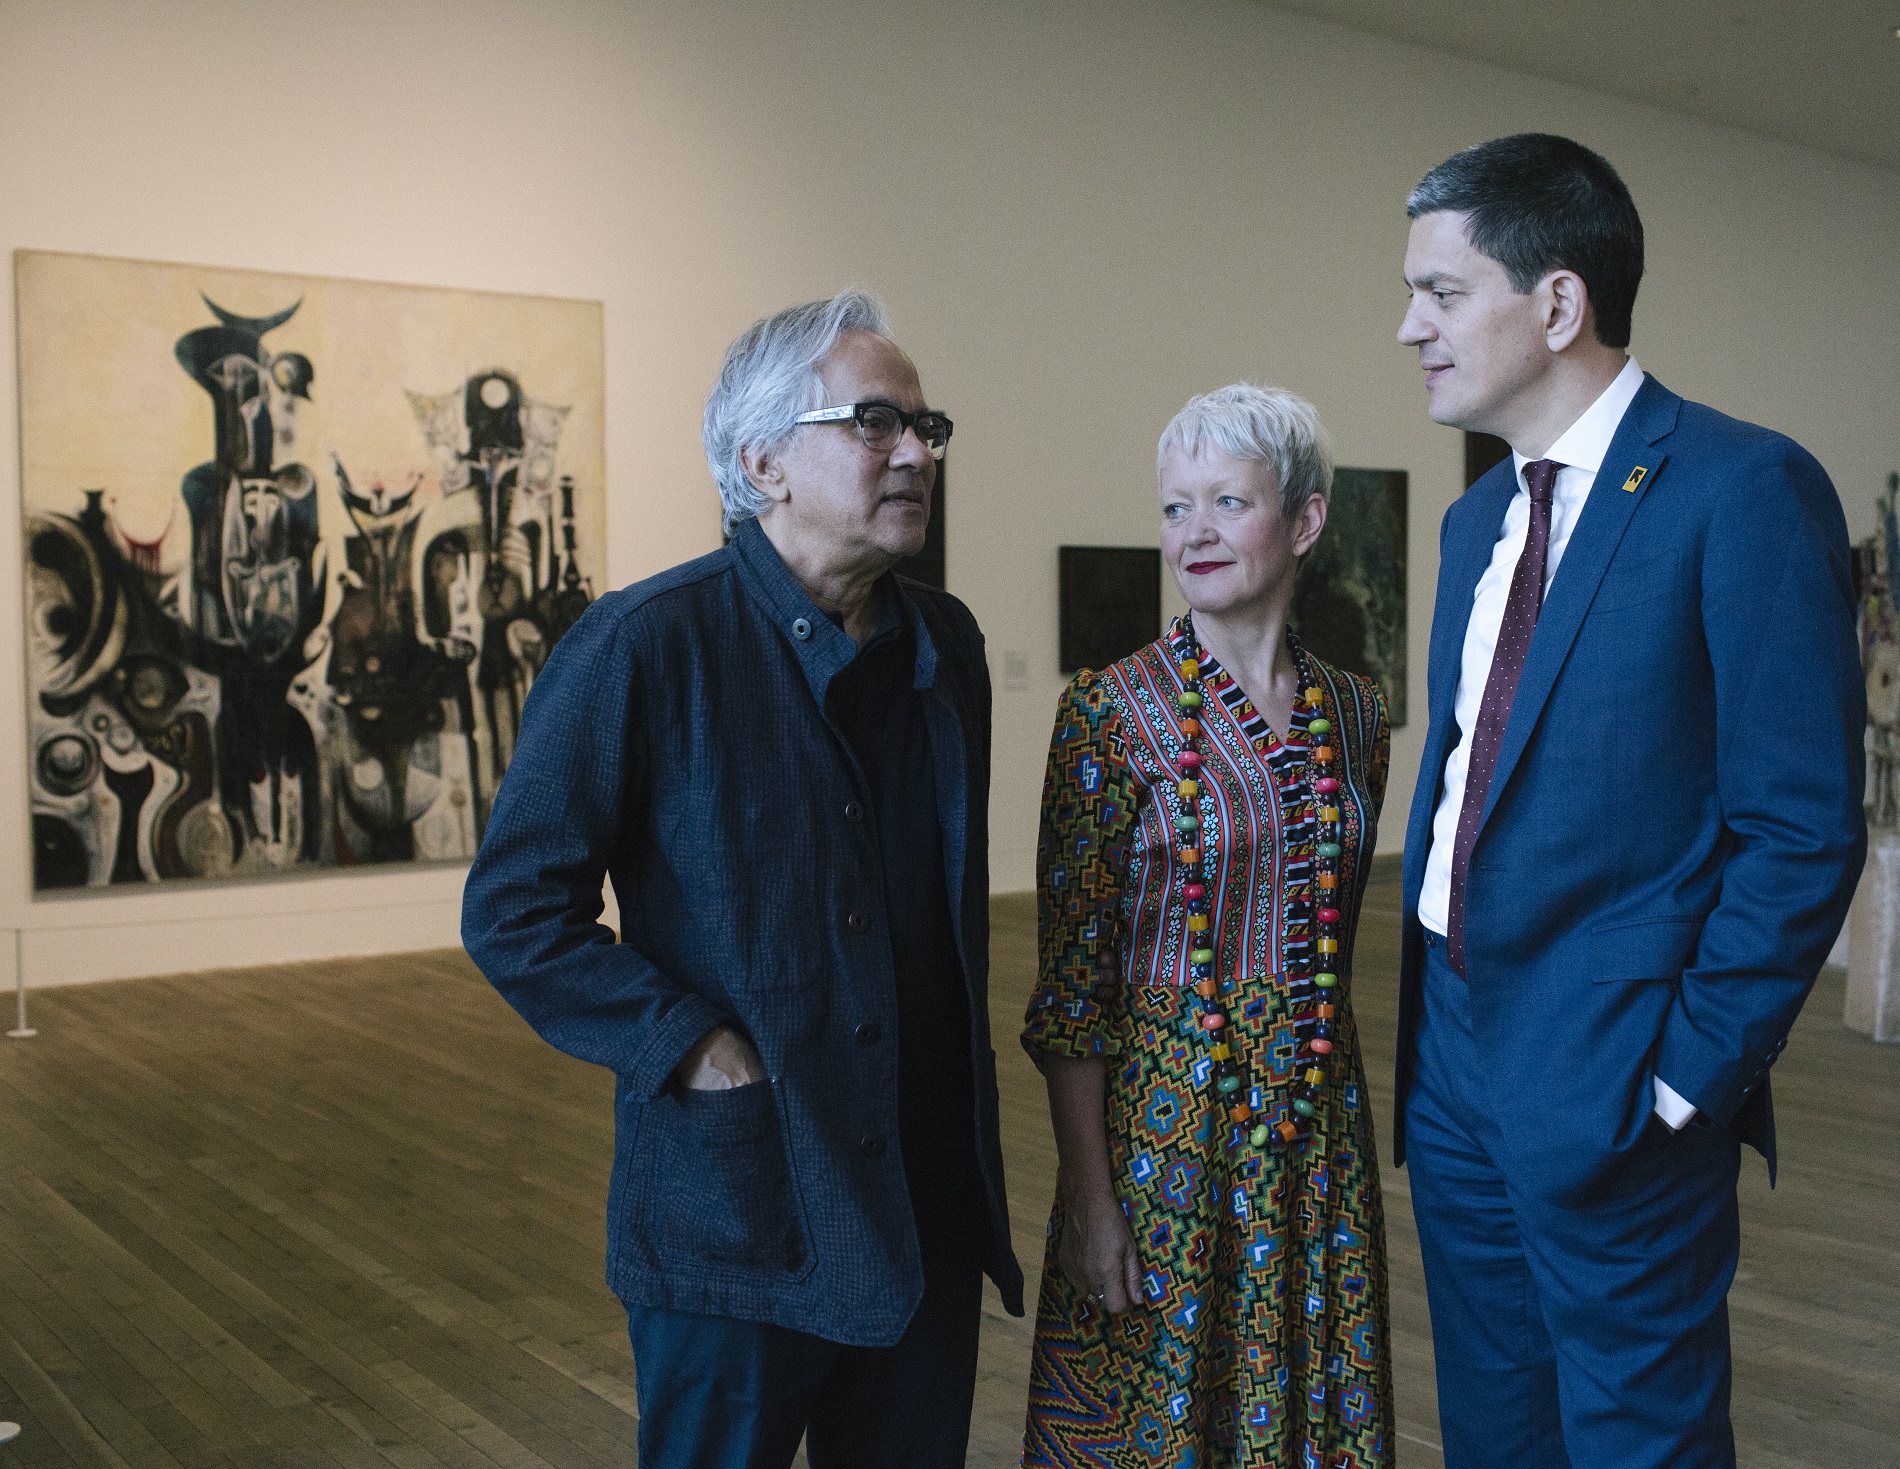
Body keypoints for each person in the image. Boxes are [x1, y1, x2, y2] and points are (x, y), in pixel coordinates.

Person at [461, 289, 1023, 1469]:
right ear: (761, 458)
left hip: (924, 1187)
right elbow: (515, 910)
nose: (917, 451)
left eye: (927, 427)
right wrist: (690, 1044)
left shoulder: (947, 644)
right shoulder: (644, 642)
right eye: (875, 421)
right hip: (742, 1194)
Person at [1393, 134, 1865, 1468]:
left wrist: (1687, 1079)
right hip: (1453, 1060)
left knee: (1634, 1440)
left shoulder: (1741, 489)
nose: (1407, 327)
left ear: (1557, 303)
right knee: (1497, 1427)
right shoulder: (1475, 525)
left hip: (1622, 1071)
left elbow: (1805, 828)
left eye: (1439, 293)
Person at [1021, 384, 1395, 1467]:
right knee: (1160, 1419)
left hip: (1317, 1130)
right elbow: (1071, 990)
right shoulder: (1108, 711)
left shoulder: (1355, 714)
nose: (1194, 531)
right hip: (1163, 1140)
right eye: (1175, 505)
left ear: (1306, 521)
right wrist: (1091, 1197)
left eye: (1227, 500)